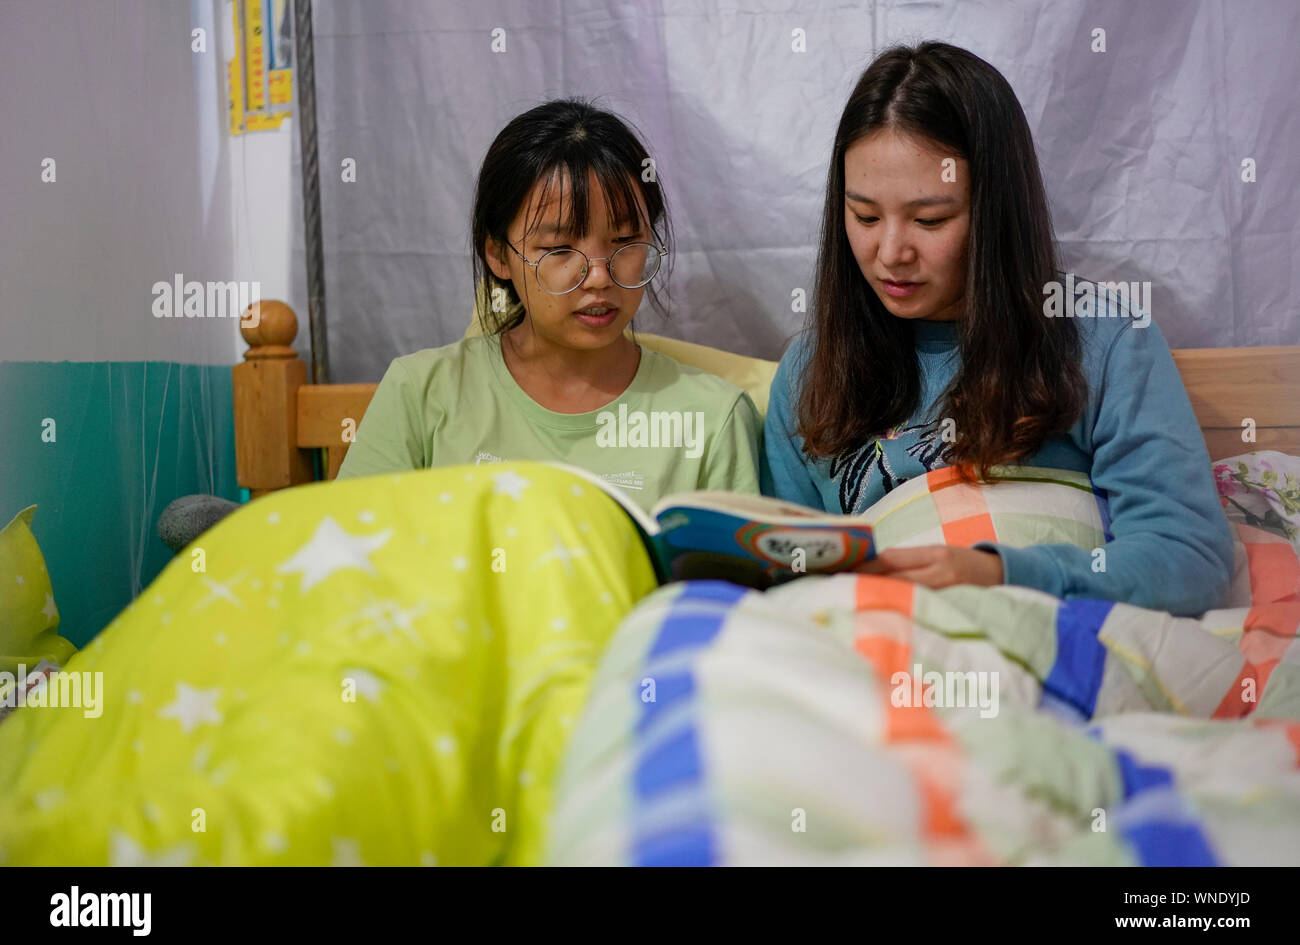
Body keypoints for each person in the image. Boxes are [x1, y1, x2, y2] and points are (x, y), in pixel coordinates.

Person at [761, 42, 1233, 616]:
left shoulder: (1100, 338)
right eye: (863, 216)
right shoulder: (808, 376)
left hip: (1047, 643)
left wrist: (1000, 574)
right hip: (878, 655)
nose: (890, 252)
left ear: (995, 208)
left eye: (929, 219)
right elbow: (789, 588)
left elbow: (1189, 560)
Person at [337, 100, 761, 510]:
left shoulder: (712, 417)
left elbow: (725, 581)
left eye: (626, 242)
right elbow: (348, 556)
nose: (598, 276)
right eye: (559, 248)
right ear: (498, 255)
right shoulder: (421, 393)